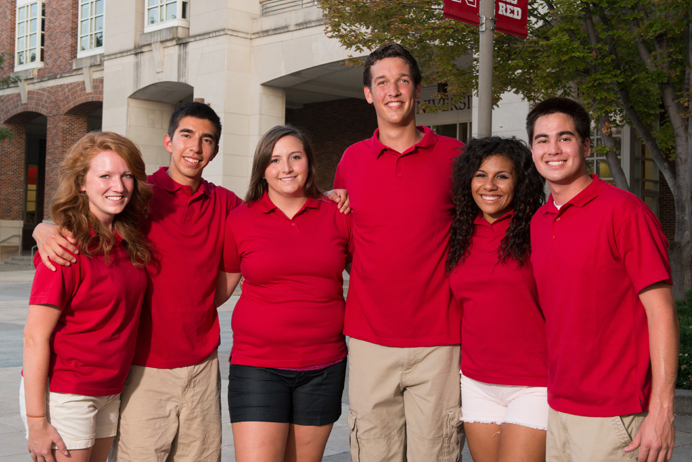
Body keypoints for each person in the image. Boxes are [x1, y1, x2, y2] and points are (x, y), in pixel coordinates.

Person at [33, 103, 243, 461]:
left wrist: (329, 197)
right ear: (169, 141)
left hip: (203, 368)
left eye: (206, 140)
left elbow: (270, 215)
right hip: (143, 368)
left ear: (215, 150)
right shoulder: (138, 195)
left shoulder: (224, 202)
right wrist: (44, 228)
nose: (195, 146)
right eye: (187, 135)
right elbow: (88, 212)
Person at [527, 97, 679, 462]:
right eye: (542, 140)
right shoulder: (540, 220)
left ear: (586, 145)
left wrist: (662, 409)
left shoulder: (625, 212)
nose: (553, 149)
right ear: (532, 149)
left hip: (615, 414)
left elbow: (662, 314)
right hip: (559, 406)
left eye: (565, 138)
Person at [333, 43, 465, 461]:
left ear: (418, 90)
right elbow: (341, 237)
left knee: (437, 454)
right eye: (382, 82)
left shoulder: (455, 157)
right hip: (371, 340)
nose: (394, 90)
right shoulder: (351, 160)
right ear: (369, 94)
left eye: (403, 80)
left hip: (440, 342)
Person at [214, 125, 352, 462]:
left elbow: (370, 276)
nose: (286, 168)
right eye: (274, 160)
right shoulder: (240, 220)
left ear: (309, 162)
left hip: (323, 366)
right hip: (258, 366)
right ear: (262, 168)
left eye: (295, 157)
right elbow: (218, 291)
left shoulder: (338, 214)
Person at [21, 132, 151, 462]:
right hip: (67, 392)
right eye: (104, 175)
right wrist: (37, 423)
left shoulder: (128, 241)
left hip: (109, 389)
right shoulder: (65, 246)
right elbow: (35, 337)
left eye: (126, 175)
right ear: (81, 183)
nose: (118, 186)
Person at [446, 137, 548, 462]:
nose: (489, 185)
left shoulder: (540, 230)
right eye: (480, 175)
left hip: (534, 382)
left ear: (520, 181)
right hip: (476, 382)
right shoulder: (459, 233)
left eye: (502, 176)